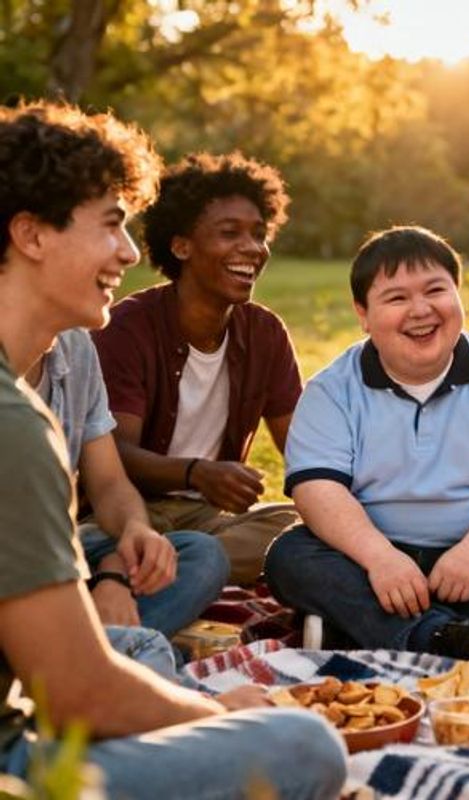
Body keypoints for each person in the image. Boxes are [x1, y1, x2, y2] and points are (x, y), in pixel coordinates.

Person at [0, 100, 346, 799]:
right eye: (111, 225)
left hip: (62, 625)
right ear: (32, 235)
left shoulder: (259, 333)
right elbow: (76, 695)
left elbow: (305, 448)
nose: (129, 253)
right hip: (19, 757)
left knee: (145, 646)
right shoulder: (16, 422)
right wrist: (215, 713)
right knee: (305, 746)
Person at [265, 225, 469, 667]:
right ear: (363, 314)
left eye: (435, 290)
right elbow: (317, 491)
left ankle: (351, 628)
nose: (421, 310)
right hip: (367, 558)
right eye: (396, 298)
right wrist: (381, 560)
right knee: (289, 558)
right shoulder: (331, 389)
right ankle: (450, 637)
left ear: (457, 294)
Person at [92, 153, 302, 586]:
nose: (252, 248)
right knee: (101, 543)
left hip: (211, 523)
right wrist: (195, 473)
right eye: (230, 233)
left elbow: (304, 451)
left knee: (304, 529)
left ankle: (166, 570)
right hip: (129, 515)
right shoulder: (129, 327)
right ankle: (170, 566)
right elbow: (116, 457)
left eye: (259, 234)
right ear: (181, 245)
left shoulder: (265, 334)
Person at [25, 329, 229, 637]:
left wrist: (125, 551)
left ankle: (100, 649)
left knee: (202, 555)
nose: (118, 277)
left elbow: (108, 483)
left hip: (64, 551)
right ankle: (109, 654)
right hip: (18, 567)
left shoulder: (76, 346)